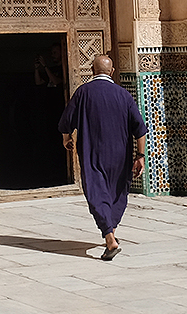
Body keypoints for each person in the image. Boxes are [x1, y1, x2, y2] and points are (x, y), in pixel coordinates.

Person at [58, 54, 147, 261]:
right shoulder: (123, 95)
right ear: (112, 71)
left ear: (92, 71)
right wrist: (140, 155)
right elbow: (140, 129)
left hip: (93, 154)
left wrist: (66, 137)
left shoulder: (83, 93)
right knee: (116, 193)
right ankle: (111, 232)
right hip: (120, 156)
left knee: (97, 193)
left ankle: (109, 238)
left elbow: (66, 121)